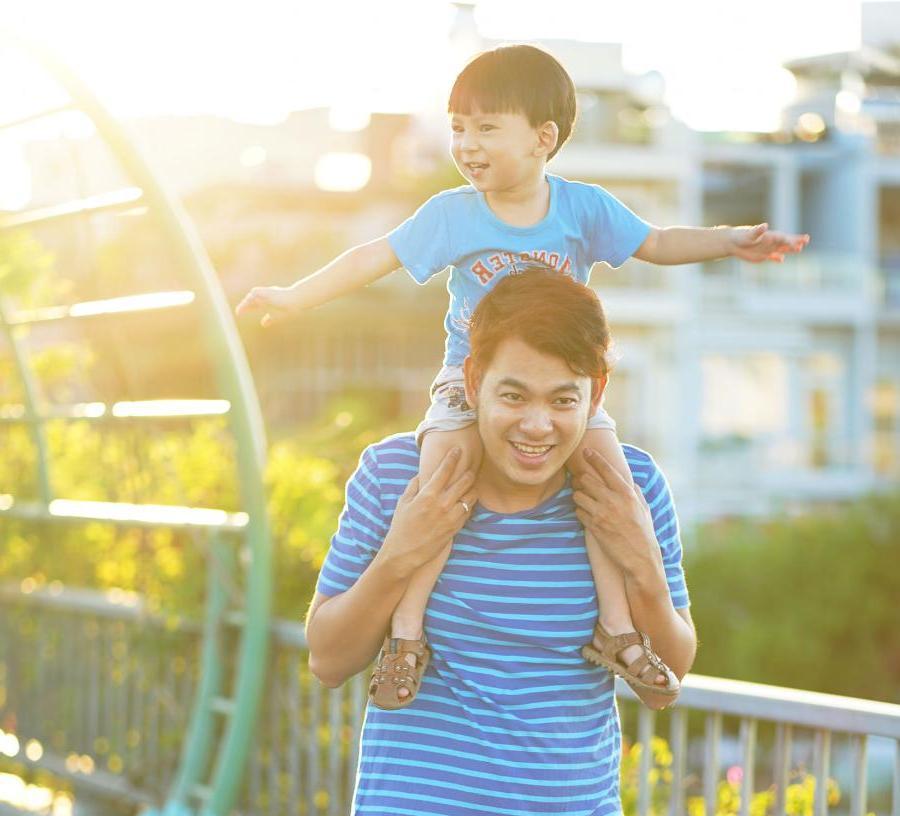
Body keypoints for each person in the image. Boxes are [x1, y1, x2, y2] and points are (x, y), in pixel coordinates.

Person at [241, 43, 799, 710]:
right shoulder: (452, 215)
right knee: (439, 483)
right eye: (457, 128)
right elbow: (374, 256)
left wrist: (729, 240)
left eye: (485, 128)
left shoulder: (582, 209)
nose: (466, 145)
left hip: (556, 383)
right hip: (465, 382)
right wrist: (294, 296)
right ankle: (408, 636)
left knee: (611, 488)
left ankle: (618, 631)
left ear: (544, 139)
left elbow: (655, 242)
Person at [304, 268, 696, 816]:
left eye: (564, 399)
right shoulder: (393, 476)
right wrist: (404, 551)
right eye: (513, 393)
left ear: (596, 392)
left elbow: (675, 662)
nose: (536, 424)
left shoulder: (630, 486)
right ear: (472, 382)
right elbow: (329, 656)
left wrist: (643, 567)